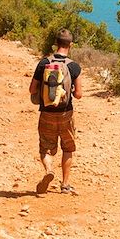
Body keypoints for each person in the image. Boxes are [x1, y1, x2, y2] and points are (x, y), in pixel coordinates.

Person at [29, 28, 83, 195]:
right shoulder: (74, 66)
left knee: (45, 148)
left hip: (46, 113)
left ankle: (49, 170)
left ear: (56, 44)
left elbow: (32, 89)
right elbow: (79, 94)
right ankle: (65, 185)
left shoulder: (44, 63)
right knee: (68, 148)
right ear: (70, 45)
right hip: (66, 113)